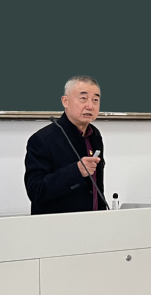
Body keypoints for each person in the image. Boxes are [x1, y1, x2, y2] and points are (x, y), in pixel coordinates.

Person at [24, 75, 107, 214]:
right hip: (57, 224)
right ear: (65, 101)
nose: (90, 106)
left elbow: (95, 186)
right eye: (83, 98)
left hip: (93, 221)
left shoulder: (95, 135)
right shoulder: (42, 139)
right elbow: (36, 190)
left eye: (95, 100)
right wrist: (76, 171)